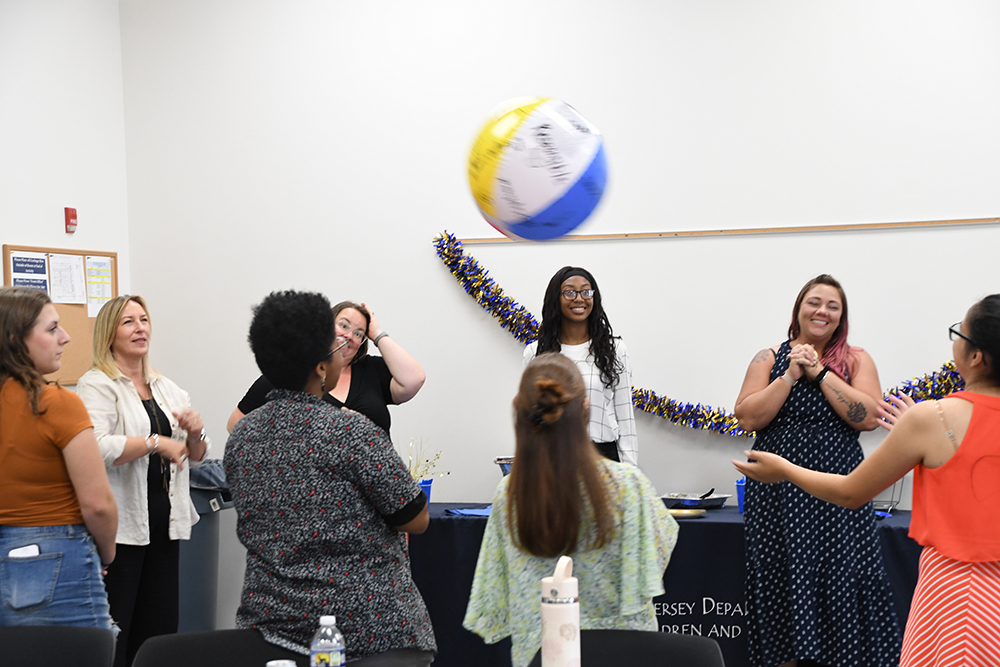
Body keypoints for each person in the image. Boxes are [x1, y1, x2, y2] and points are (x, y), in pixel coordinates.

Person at [735, 295, 1000, 667]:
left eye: (959, 333)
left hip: (957, 587)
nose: (822, 311)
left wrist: (784, 469)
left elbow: (851, 491)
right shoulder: (930, 419)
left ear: (976, 357)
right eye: (814, 302)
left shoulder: (933, 417)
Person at [225, 290, 436, 666]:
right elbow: (416, 518)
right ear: (322, 368)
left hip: (270, 628)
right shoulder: (352, 430)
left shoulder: (242, 438)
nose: (345, 346)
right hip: (367, 630)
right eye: (335, 343)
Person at [463, 352, 678, 667]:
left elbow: (496, 583)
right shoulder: (629, 485)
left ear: (518, 408)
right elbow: (655, 560)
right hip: (624, 654)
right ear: (586, 408)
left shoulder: (509, 494)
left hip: (541, 654)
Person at [732, 274, 901, 667]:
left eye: (832, 306)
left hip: (840, 487)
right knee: (779, 576)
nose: (822, 311)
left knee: (842, 573)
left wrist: (821, 374)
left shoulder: (855, 359)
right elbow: (747, 418)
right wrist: (790, 375)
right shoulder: (768, 357)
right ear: (798, 309)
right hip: (775, 490)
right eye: (814, 302)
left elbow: (868, 418)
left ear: (841, 317)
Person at [75, 295, 211, 667]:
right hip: (122, 530)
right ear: (109, 333)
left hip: (165, 526)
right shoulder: (96, 385)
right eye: (129, 322)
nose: (140, 329)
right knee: (117, 631)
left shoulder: (166, 387)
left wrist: (195, 433)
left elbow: (195, 454)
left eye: (144, 320)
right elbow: (96, 447)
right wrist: (155, 443)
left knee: (159, 631)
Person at [0, 287, 117, 628]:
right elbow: (98, 504)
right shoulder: (57, 403)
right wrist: (106, 554)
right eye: (51, 329)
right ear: (14, 340)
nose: (65, 337)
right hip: (54, 554)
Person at [227, 301, 424, 435]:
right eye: (344, 326)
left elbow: (414, 379)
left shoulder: (371, 370)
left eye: (358, 333)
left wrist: (377, 333)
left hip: (377, 481)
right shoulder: (289, 373)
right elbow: (235, 425)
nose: (349, 336)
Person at [523, 266, 637, 464]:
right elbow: (532, 418)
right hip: (554, 457)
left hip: (604, 457)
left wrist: (630, 470)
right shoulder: (535, 352)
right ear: (555, 299)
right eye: (569, 292)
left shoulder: (615, 350)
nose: (579, 298)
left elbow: (625, 417)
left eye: (586, 291)